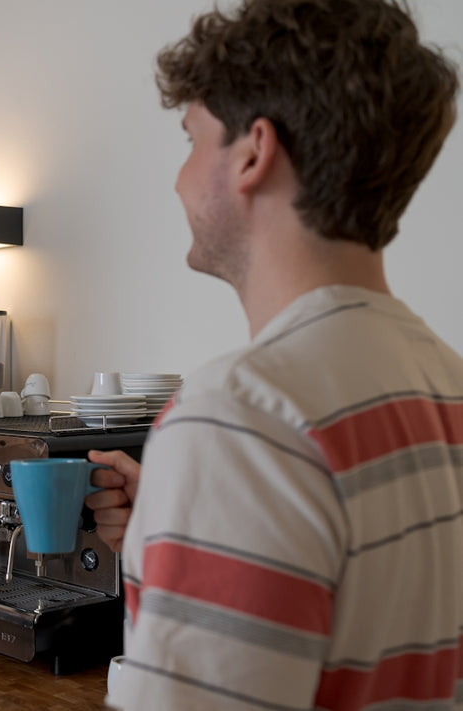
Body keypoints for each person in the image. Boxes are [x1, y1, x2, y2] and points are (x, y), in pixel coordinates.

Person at [83, 1, 462, 709]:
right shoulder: (446, 386)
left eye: (192, 139)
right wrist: (184, 533)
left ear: (254, 153)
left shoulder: (240, 418)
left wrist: (209, 477)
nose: (179, 178)